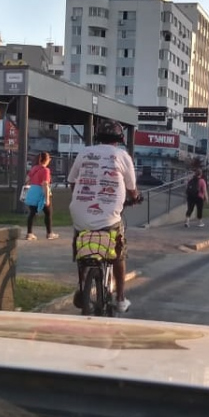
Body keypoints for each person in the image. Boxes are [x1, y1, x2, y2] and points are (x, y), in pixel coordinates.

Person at [68, 119, 139, 313]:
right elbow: (132, 188)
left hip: (79, 214)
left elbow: (72, 182)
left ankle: (82, 285)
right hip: (109, 218)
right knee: (118, 254)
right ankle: (121, 298)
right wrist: (135, 198)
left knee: (82, 243)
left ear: (98, 136)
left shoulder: (84, 153)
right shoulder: (122, 155)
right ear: (119, 138)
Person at [24, 152, 59, 241]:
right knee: (48, 213)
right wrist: (47, 198)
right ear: (47, 160)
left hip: (32, 192)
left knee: (32, 213)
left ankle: (29, 233)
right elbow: (45, 184)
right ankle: (49, 233)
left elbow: (27, 179)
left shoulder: (34, 168)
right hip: (41, 193)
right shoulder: (46, 170)